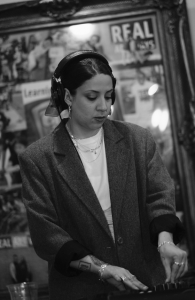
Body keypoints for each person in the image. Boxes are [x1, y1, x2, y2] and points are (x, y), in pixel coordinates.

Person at [18, 50, 187, 300]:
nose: (104, 106)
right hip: (80, 291)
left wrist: (166, 242)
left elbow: (159, 197)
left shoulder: (137, 140)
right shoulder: (38, 158)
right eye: (91, 96)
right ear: (68, 96)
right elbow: (46, 234)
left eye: (109, 96)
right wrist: (101, 268)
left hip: (144, 282)